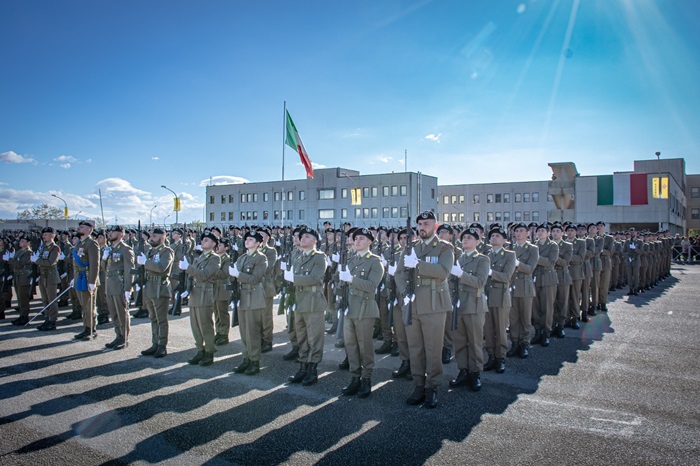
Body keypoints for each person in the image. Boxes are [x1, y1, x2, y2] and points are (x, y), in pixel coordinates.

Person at [395, 211, 454, 409]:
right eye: (420, 224)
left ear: (435, 226)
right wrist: (405, 292)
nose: (422, 227)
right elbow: (399, 274)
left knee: (433, 348)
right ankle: (419, 385)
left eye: (426, 224)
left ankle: (432, 387)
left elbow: (443, 272)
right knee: (415, 348)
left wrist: (418, 265)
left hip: (434, 303)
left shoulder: (445, 248)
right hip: (412, 303)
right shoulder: (410, 247)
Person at [337, 227, 384, 398]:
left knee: (365, 346)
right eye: (356, 238)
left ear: (370, 242)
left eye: (362, 238)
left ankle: (366, 379)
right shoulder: (350, 259)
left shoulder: (375, 261)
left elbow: (372, 286)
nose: (357, 241)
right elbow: (341, 283)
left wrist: (351, 279)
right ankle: (354, 378)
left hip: (364, 308)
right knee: (351, 345)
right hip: (349, 307)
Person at [448, 227, 490, 392]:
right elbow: (450, 281)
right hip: (458, 305)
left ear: (478, 242)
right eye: (464, 237)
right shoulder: (457, 259)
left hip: (474, 306)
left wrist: (460, 275)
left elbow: (480, 282)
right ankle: (463, 370)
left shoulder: (482, 259)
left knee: (474, 342)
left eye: (470, 238)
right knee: (459, 342)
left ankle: (475, 373)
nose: (466, 240)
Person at [285, 227, 328, 386]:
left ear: (315, 241)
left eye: (307, 236)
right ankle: (302, 366)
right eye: (301, 236)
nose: (302, 238)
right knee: (301, 335)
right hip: (299, 299)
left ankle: (312, 369)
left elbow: (315, 278)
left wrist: (293, 278)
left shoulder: (319, 257)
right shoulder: (298, 256)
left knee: (314, 337)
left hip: (313, 300)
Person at [230, 230, 268, 375]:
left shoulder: (261, 258)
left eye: (251, 239)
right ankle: (246, 359)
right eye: (247, 239)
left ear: (258, 243)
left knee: (252, 331)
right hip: (242, 296)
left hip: (254, 296)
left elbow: (255, 278)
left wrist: (238, 275)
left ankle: (254, 361)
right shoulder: (242, 258)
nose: (247, 241)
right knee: (244, 331)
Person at [180, 232, 221, 366]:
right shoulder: (198, 257)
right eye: (203, 240)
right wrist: (187, 288)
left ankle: (209, 352)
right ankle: (200, 350)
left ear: (214, 244)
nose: (203, 241)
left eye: (207, 240)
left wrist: (188, 268)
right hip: (195, 293)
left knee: (205, 325)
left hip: (204, 293)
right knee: (195, 325)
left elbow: (204, 275)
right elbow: (191, 276)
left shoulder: (214, 258)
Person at [484, 225, 515, 374]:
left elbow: (506, 277)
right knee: (488, 329)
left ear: (504, 240)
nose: (494, 237)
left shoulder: (509, 255)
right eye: (492, 236)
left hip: (501, 297)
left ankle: (501, 357)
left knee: (501, 329)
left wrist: (490, 272)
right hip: (486, 296)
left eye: (498, 236)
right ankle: (491, 356)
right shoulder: (484, 255)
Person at [139, 227, 174, 358]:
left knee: (161, 319)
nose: (151, 238)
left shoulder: (167, 252)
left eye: (154, 236)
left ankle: (162, 346)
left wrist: (145, 262)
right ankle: (155, 343)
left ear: (162, 238)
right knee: (153, 318)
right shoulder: (151, 251)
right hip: (150, 288)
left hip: (160, 288)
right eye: (151, 236)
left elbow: (161, 267)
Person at [507, 222, 539, 358]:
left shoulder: (532, 249)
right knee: (513, 318)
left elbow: (530, 269)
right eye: (516, 231)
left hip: (525, 287)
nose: (518, 233)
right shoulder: (509, 248)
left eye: (521, 231)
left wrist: (517, 264)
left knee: (525, 318)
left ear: (528, 233)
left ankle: (524, 343)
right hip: (511, 287)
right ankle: (515, 342)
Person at [102, 225, 134, 349]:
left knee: (122, 313)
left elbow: (129, 270)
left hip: (119, 285)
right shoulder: (110, 249)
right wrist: (104, 259)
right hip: (110, 285)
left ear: (121, 234)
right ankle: (118, 335)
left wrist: (128, 289)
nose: (110, 234)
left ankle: (124, 338)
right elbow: (105, 269)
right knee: (114, 313)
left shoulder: (125, 249)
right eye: (110, 232)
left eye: (113, 232)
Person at [72, 221, 100, 340]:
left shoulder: (91, 244)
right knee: (84, 305)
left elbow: (94, 264)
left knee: (89, 305)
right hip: (80, 277)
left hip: (88, 278)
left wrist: (92, 281)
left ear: (89, 230)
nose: (79, 228)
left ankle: (91, 329)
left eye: (82, 227)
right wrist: (75, 277)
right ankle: (86, 327)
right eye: (79, 227)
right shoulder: (79, 243)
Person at [532, 223, 559, 347]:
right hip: (535, 277)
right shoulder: (533, 245)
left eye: (543, 230)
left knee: (547, 307)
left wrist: (535, 257)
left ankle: (546, 333)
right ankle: (538, 331)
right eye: (539, 230)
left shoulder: (553, 245)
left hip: (548, 278)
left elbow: (550, 262)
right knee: (536, 307)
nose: (540, 232)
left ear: (548, 233)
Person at [33, 227, 61, 331]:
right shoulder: (44, 247)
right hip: (43, 276)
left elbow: (50, 262)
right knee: (45, 300)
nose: (44, 236)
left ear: (52, 236)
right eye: (43, 234)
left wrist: (37, 261)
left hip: (51, 277)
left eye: (46, 234)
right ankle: (47, 318)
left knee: (51, 300)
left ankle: (52, 321)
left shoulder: (55, 248)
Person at [550, 223, 572, 338]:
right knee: (551, 302)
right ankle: (552, 324)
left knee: (562, 302)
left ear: (562, 233)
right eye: (553, 231)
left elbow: (565, 262)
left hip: (562, 276)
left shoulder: (568, 245)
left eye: (558, 231)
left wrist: (553, 256)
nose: (555, 233)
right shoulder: (547, 245)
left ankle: (560, 325)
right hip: (550, 277)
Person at [259, 228, 278, 353]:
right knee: (256, 315)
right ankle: (258, 337)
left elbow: (268, 267)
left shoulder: (271, 251)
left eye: (262, 235)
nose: (259, 237)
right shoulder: (252, 251)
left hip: (265, 285)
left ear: (268, 238)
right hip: (254, 286)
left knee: (266, 315)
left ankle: (267, 340)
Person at [8, 235, 32, 326]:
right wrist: (12, 261)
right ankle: (21, 315)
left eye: (23, 240)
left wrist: (10, 260)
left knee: (23, 298)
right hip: (18, 276)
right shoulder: (19, 251)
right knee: (19, 297)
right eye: (20, 240)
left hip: (24, 277)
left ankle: (25, 317)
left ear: (28, 242)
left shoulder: (28, 253)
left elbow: (20, 263)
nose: (20, 242)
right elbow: (16, 261)